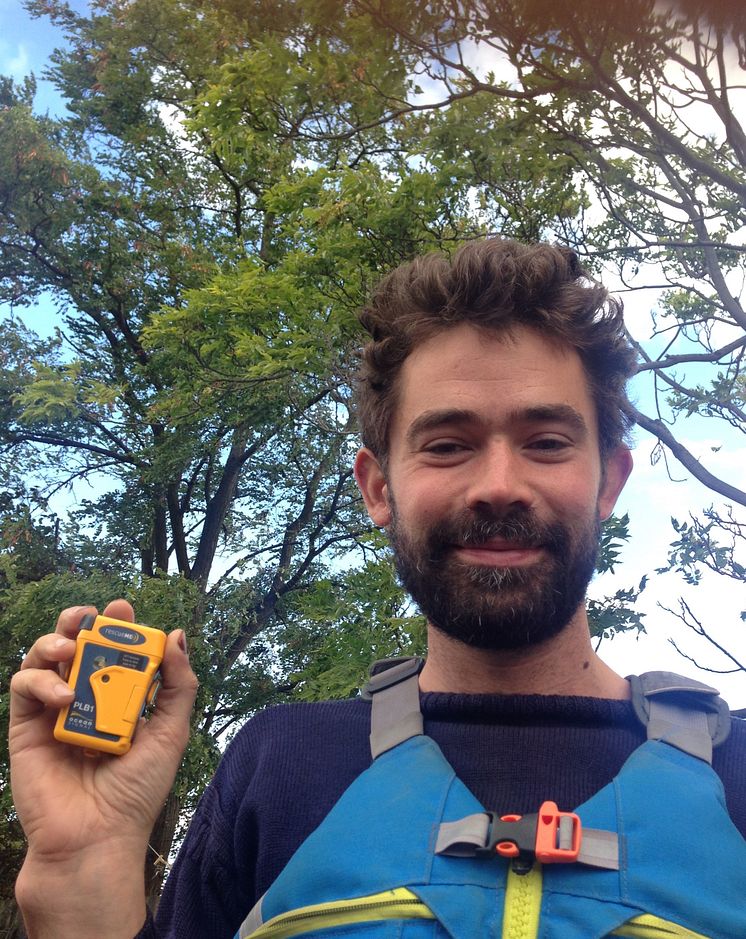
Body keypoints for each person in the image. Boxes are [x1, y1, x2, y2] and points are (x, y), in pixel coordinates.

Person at [9, 239, 746, 939]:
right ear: (378, 487)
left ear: (609, 480)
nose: (498, 486)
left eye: (546, 441)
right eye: (447, 445)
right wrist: (83, 873)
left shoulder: (736, 768)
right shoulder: (279, 763)